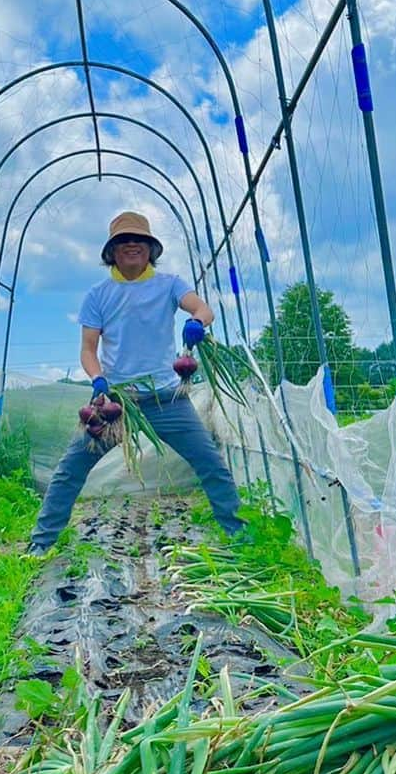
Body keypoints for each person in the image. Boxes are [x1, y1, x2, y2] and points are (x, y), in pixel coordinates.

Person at [27, 210, 245, 554]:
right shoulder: (98, 295)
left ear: (150, 249)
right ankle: (41, 544)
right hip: (117, 404)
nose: (132, 245)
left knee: (210, 463)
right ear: (111, 251)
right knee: (70, 469)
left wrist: (197, 323)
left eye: (139, 240)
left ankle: (238, 534)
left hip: (166, 398)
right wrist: (97, 378)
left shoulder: (169, 284)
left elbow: (202, 308)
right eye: (123, 240)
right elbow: (88, 349)